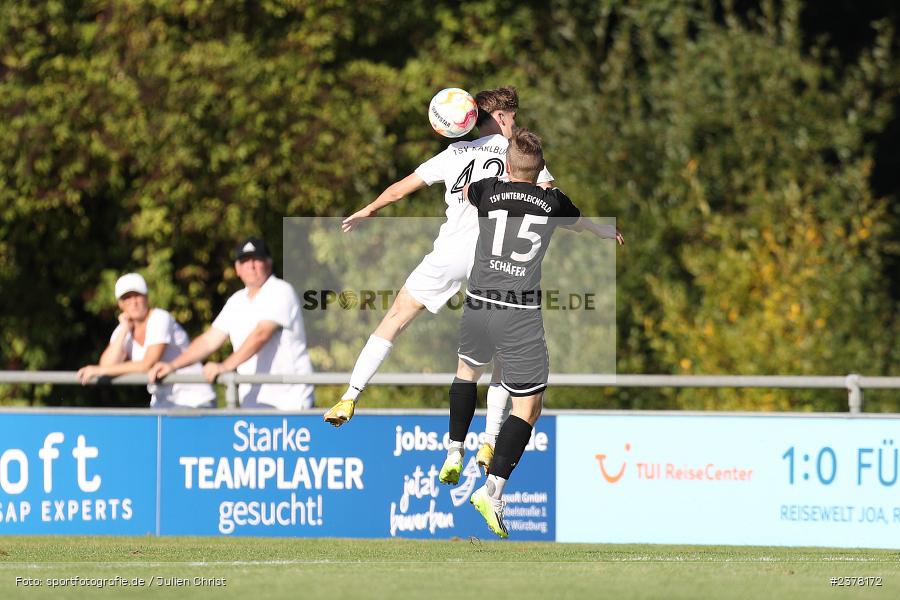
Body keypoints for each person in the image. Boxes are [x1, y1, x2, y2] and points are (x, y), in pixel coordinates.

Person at [324, 87, 553, 473]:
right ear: (500, 117)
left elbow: (401, 189)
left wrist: (368, 209)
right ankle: (489, 441)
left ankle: (350, 395)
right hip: (491, 261)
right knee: (501, 349)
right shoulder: (519, 156)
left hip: (448, 256)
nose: (515, 122)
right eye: (512, 116)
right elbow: (546, 197)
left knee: (395, 317)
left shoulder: (454, 154)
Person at [438, 129, 623, 538]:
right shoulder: (552, 201)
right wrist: (602, 231)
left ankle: (454, 447)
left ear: (506, 165)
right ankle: (493, 490)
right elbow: (577, 221)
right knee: (528, 407)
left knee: (466, 372)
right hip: (518, 313)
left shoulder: (488, 190)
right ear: (540, 170)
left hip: (477, 302)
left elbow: (468, 188)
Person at [148, 237, 315, 410]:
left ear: (268, 263)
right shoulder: (236, 301)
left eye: (256, 259)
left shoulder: (281, 290)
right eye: (245, 260)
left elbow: (261, 334)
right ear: (237, 268)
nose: (251, 265)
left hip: (291, 404)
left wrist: (224, 366)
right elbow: (209, 340)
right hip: (253, 404)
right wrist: (172, 366)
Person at [77, 273, 217, 409]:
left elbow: (147, 364)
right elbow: (106, 365)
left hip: (195, 401)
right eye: (127, 298)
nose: (134, 302)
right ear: (120, 304)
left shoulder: (160, 318)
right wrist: (124, 330)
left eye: (137, 295)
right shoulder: (123, 329)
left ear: (146, 298)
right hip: (162, 404)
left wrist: (99, 370)